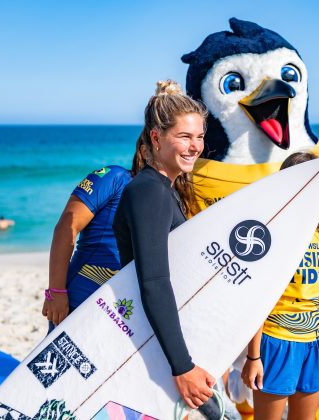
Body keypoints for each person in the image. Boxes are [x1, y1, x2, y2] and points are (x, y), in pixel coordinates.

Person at [112, 80, 214, 410]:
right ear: (156, 138)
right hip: (153, 341)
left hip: (161, 336)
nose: (195, 146)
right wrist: (182, 367)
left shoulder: (164, 188)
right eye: (184, 136)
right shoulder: (150, 191)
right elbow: (154, 281)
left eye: (199, 136)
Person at [240, 152, 319, 420]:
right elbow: (258, 297)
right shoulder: (273, 234)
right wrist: (253, 356)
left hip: (314, 342)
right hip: (278, 341)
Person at [42, 163, 132, 328]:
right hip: (80, 298)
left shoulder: (174, 193)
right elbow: (67, 227)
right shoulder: (115, 177)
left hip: (122, 306)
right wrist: (55, 292)